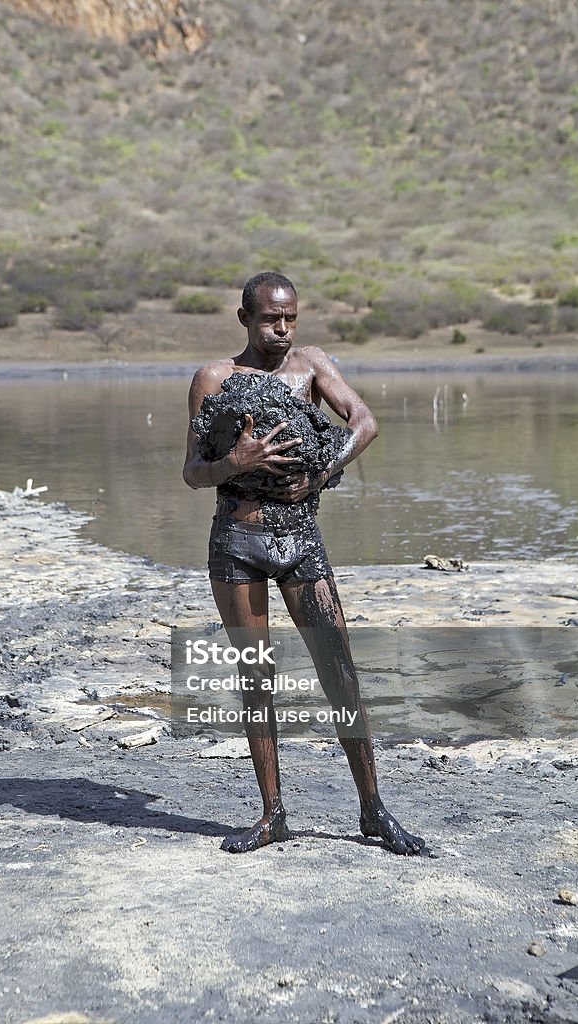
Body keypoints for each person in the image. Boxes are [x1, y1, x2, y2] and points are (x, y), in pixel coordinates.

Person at [183, 271, 428, 856]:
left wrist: (319, 474)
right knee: (256, 677)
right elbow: (193, 471)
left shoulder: (312, 365)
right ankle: (272, 817)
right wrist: (235, 462)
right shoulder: (213, 378)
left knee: (339, 672)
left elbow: (365, 424)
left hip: (299, 540)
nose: (283, 328)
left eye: (291, 317)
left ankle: (373, 810)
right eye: (271, 319)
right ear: (244, 318)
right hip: (235, 544)